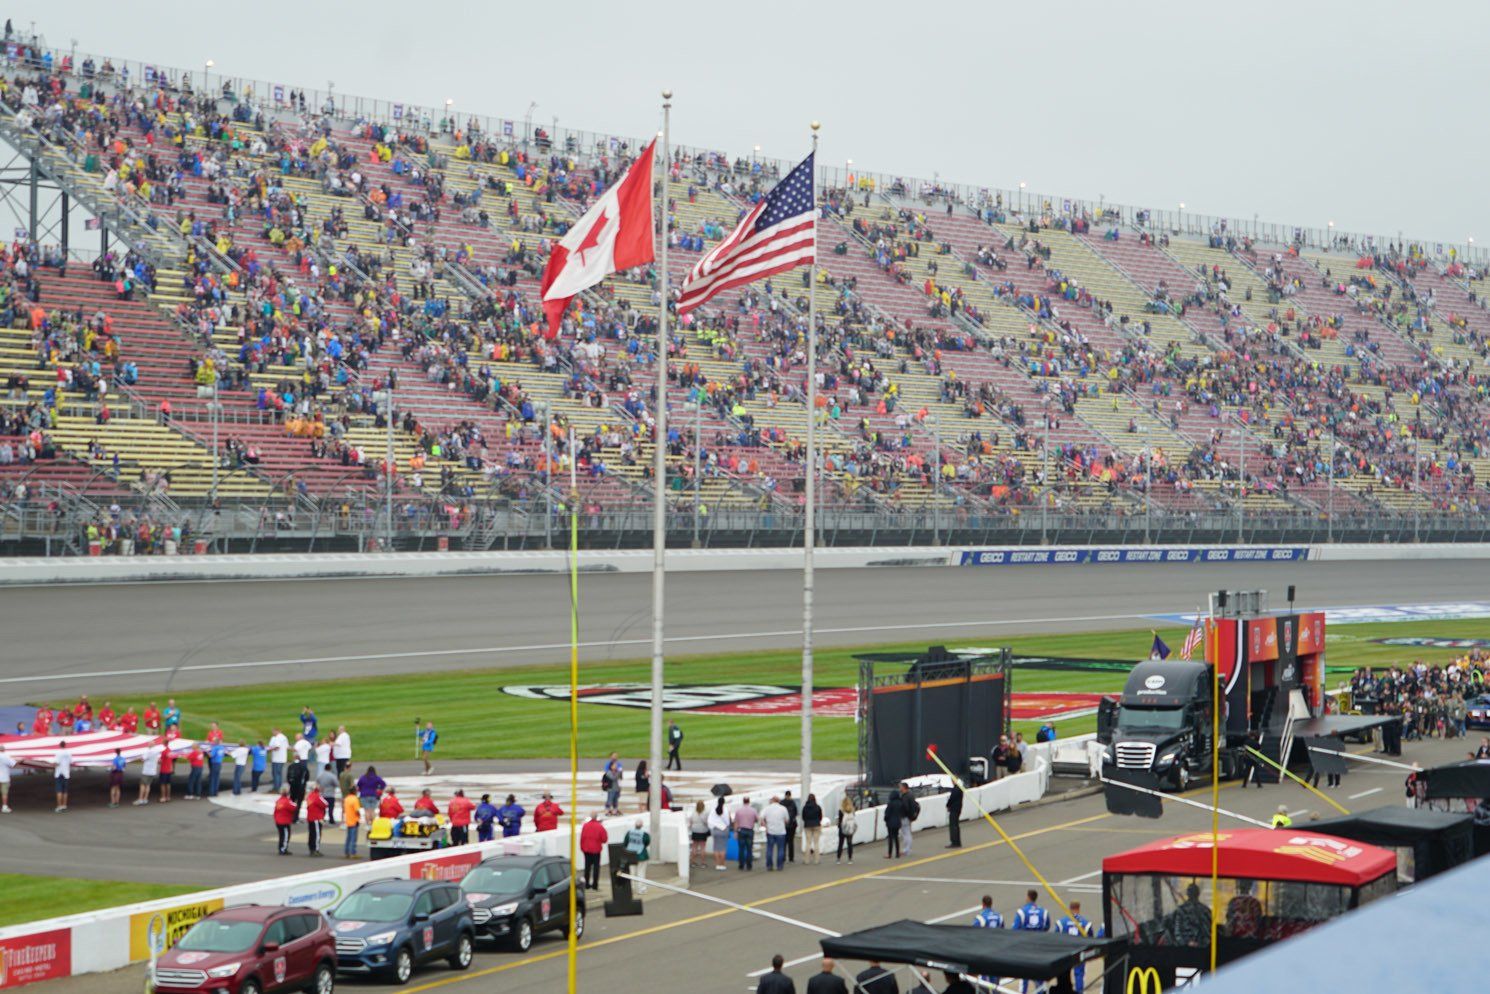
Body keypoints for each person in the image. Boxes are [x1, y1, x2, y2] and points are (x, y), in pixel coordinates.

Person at [1055, 901, 1101, 992]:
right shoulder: (1086, 923)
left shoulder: (1061, 922)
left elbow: (1056, 937)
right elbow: (1091, 939)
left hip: (1065, 952)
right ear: (1079, 908)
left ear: (1069, 908)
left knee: (1063, 974)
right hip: (1079, 952)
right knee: (1079, 974)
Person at [1169, 882, 1212, 946]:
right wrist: (1200, 944)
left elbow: (1178, 932)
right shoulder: (1206, 910)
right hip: (1204, 950)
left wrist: (1187, 943)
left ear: (1187, 894)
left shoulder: (1181, 910)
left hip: (1185, 950)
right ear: (1198, 894)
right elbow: (1209, 932)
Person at [580, 812, 608, 890]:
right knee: (596, 868)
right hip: (596, 850)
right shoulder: (600, 827)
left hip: (586, 850)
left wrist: (582, 847)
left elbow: (582, 838)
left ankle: (586, 884)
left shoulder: (585, 826)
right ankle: (595, 885)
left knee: (587, 868)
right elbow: (604, 839)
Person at [762, 795, 790, 871]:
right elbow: (787, 820)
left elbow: (761, 817)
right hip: (781, 831)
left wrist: (765, 826)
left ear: (772, 800)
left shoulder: (767, 808)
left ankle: (769, 865)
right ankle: (779, 865)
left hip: (770, 831)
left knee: (769, 849)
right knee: (780, 849)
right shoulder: (783, 809)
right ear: (779, 801)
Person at [623, 818, 651, 893]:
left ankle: (631, 888)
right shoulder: (644, 834)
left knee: (632, 872)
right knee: (641, 872)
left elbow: (625, 843)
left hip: (631, 855)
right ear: (642, 825)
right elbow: (647, 842)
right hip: (642, 855)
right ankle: (641, 889)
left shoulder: (629, 833)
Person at [733, 796, 758, 870]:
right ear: (749, 801)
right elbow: (757, 819)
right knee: (749, 849)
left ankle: (741, 865)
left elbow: (736, 822)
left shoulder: (738, 810)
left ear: (743, 801)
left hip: (741, 830)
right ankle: (749, 865)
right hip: (750, 830)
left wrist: (735, 831)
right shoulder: (753, 810)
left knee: (741, 849)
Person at [884, 785, 908, 859]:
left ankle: (889, 853)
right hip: (898, 822)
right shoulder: (900, 803)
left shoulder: (890, 804)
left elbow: (887, 814)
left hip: (890, 823)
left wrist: (886, 819)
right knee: (896, 838)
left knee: (890, 838)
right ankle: (897, 853)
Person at [708, 796, 731, 870]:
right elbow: (728, 822)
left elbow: (710, 821)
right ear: (724, 802)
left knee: (716, 848)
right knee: (723, 848)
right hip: (724, 830)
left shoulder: (713, 810)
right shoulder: (726, 810)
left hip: (715, 830)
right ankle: (722, 865)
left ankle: (717, 865)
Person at [801, 793, 823, 864]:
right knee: (816, 843)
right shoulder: (818, 807)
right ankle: (817, 860)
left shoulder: (805, 807)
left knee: (808, 843)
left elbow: (803, 817)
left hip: (807, 825)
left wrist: (807, 821)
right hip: (816, 825)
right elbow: (820, 816)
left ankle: (806, 860)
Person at [305, 785, 327, 856]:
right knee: (317, 834)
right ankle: (316, 849)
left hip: (310, 817)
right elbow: (325, 804)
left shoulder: (309, 796)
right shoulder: (317, 796)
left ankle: (311, 848)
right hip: (316, 818)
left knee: (311, 834)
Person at [687, 800, 710, 868]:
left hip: (695, 830)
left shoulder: (693, 812)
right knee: (702, 847)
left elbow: (690, 822)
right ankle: (703, 863)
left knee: (694, 847)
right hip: (703, 830)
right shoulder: (706, 812)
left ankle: (693, 862)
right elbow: (706, 822)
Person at [273, 787, 296, 855]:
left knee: (281, 835)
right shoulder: (287, 801)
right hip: (285, 821)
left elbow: (275, 811)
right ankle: (283, 849)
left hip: (278, 821)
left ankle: (281, 847)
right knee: (286, 835)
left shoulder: (278, 801)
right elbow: (294, 807)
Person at [286, 755, 310, 820]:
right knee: (299, 803)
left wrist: (291, 784)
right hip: (301, 787)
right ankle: (296, 817)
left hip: (293, 787)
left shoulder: (291, 766)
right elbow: (307, 777)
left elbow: (288, 777)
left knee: (292, 802)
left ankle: (290, 816)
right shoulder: (304, 767)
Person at [836, 796, 857, 863]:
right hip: (850, 829)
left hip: (843, 829)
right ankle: (850, 859)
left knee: (840, 844)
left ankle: (838, 859)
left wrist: (839, 826)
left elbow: (840, 821)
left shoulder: (841, 811)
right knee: (849, 844)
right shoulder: (852, 810)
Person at [343, 789, 363, 859]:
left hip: (348, 820)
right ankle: (352, 853)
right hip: (354, 820)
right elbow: (356, 810)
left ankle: (347, 852)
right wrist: (359, 816)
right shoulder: (355, 799)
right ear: (354, 792)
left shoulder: (346, 799)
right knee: (353, 838)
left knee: (348, 837)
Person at [53, 741, 72, 812]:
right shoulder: (69, 753)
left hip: (59, 773)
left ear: (60, 745)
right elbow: (71, 761)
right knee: (65, 791)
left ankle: (59, 806)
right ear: (65, 745)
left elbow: (57, 763)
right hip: (66, 773)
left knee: (59, 790)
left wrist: (53, 765)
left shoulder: (58, 753)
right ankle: (64, 805)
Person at [782, 790, 800, 863]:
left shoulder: (781, 803)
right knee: (791, 841)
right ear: (790, 795)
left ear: (785, 795)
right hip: (792, 825)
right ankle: (791, 858)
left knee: (783, 842)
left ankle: (783, 857)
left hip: (783, 825)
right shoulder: (793, 803)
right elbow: (796, 813)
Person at [946, 781, 964, 848]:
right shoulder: (960, 789)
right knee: (956, 825)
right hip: (958, 809)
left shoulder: (956, 789)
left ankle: (954, 842)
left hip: (954, 809)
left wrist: (947, 805)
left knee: (953, 826)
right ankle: (957, 842)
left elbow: (952, 798)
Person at [0, 744, 15, 813]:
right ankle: (4, 807)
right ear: (4, 750)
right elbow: (13, 764)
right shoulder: (6, 756)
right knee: (4, 793)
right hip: (4, 777)